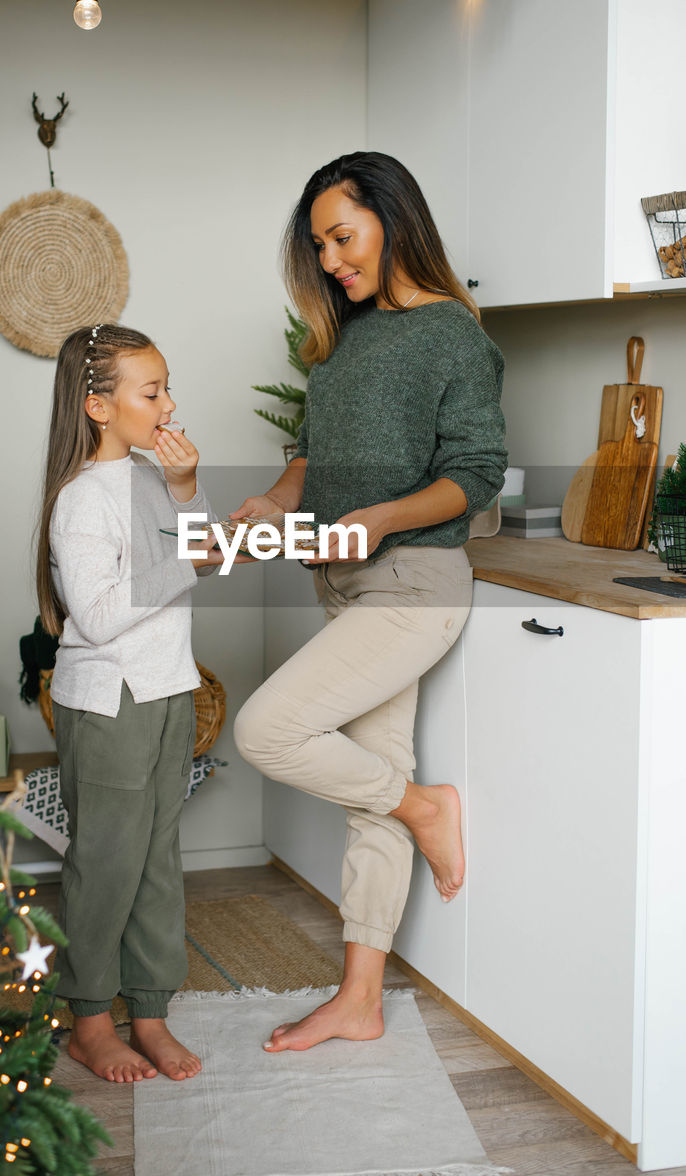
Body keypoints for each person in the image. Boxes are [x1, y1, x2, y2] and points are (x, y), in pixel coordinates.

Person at [231, 151, 507, 1053]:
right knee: (374, 787)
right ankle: (360, 999)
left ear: (394, 219)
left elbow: (473, 476)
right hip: (346, 582)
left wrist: (382, 516)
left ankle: (429, 809)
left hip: (414, 584)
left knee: (268, 731)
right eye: (319, 247)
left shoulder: (454, 337)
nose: (331, 260)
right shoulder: (344, 336)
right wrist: (276, 501)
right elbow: (311, 451)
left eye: (341, 237)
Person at [35, 322, 214, 1084]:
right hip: (110, 702)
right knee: (106, 864)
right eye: (153, 391)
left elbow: (201, 557)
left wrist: (185, 491)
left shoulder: (148, 480)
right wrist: (186, 557)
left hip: (169, 689)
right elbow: (103, 615)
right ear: (98, 406)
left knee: (157, 862)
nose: (169, 405)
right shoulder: (81, 500)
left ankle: (149, 1010)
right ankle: (88, 1020)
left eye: (167, 387)